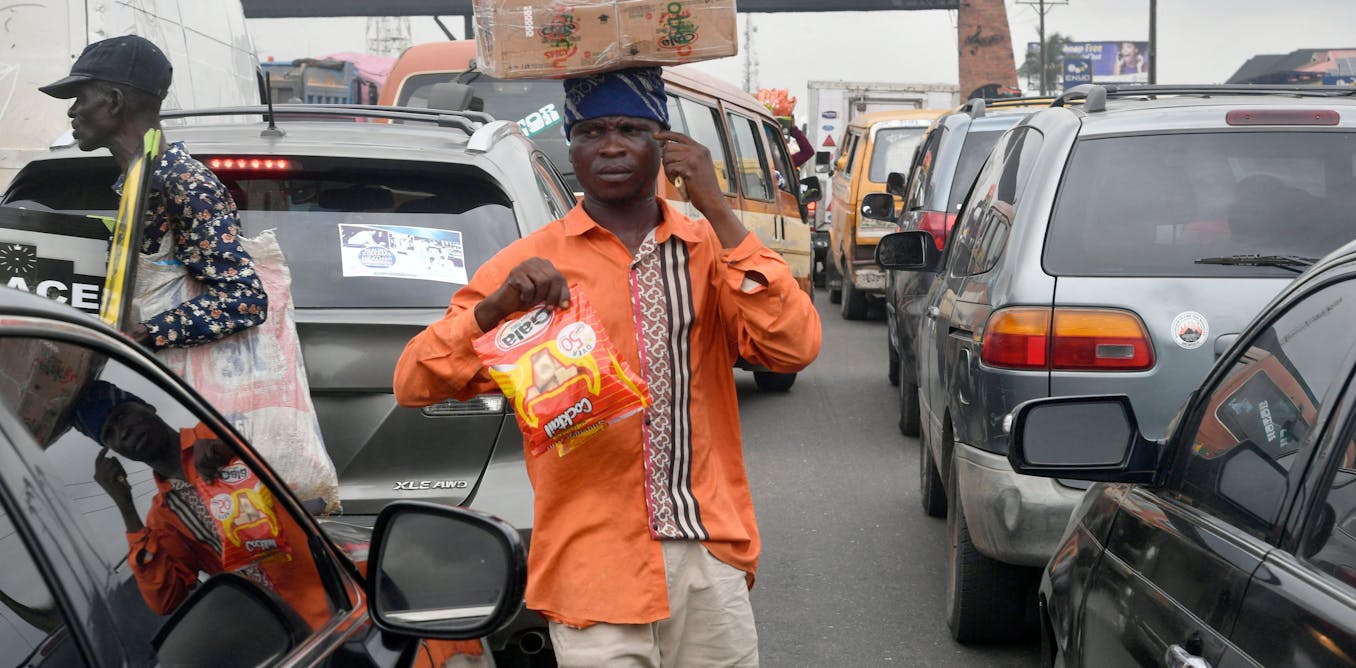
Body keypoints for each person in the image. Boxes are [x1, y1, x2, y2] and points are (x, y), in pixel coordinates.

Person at [393, 67, 821, 666]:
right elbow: (414, 381)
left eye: (631, 129)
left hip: (707, 555)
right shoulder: (529, 263)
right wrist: (492, 313)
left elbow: (792, 347)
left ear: (665, 143)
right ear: (571, 145)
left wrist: (719, 209)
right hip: (592, 565)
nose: (612, 145)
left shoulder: (706, 249)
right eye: (592, 131)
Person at [39, 35, 267, 349]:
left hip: (175, 388)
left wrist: (147, 333)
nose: (72, 111)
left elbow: (246, 298)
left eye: (80, 97)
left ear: (115, 102)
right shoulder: (142, 179)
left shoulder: (184, 182)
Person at [76, 380, 332, 626]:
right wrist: (126, 509)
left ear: (146, 405)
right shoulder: (163, 518)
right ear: (115, 450)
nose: (123, 432)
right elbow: (165, 600)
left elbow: (295, 447)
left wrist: (226, 448)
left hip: (340, 597)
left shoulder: (216, 426)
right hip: (290, 636)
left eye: (122, 415)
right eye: (109, 434)